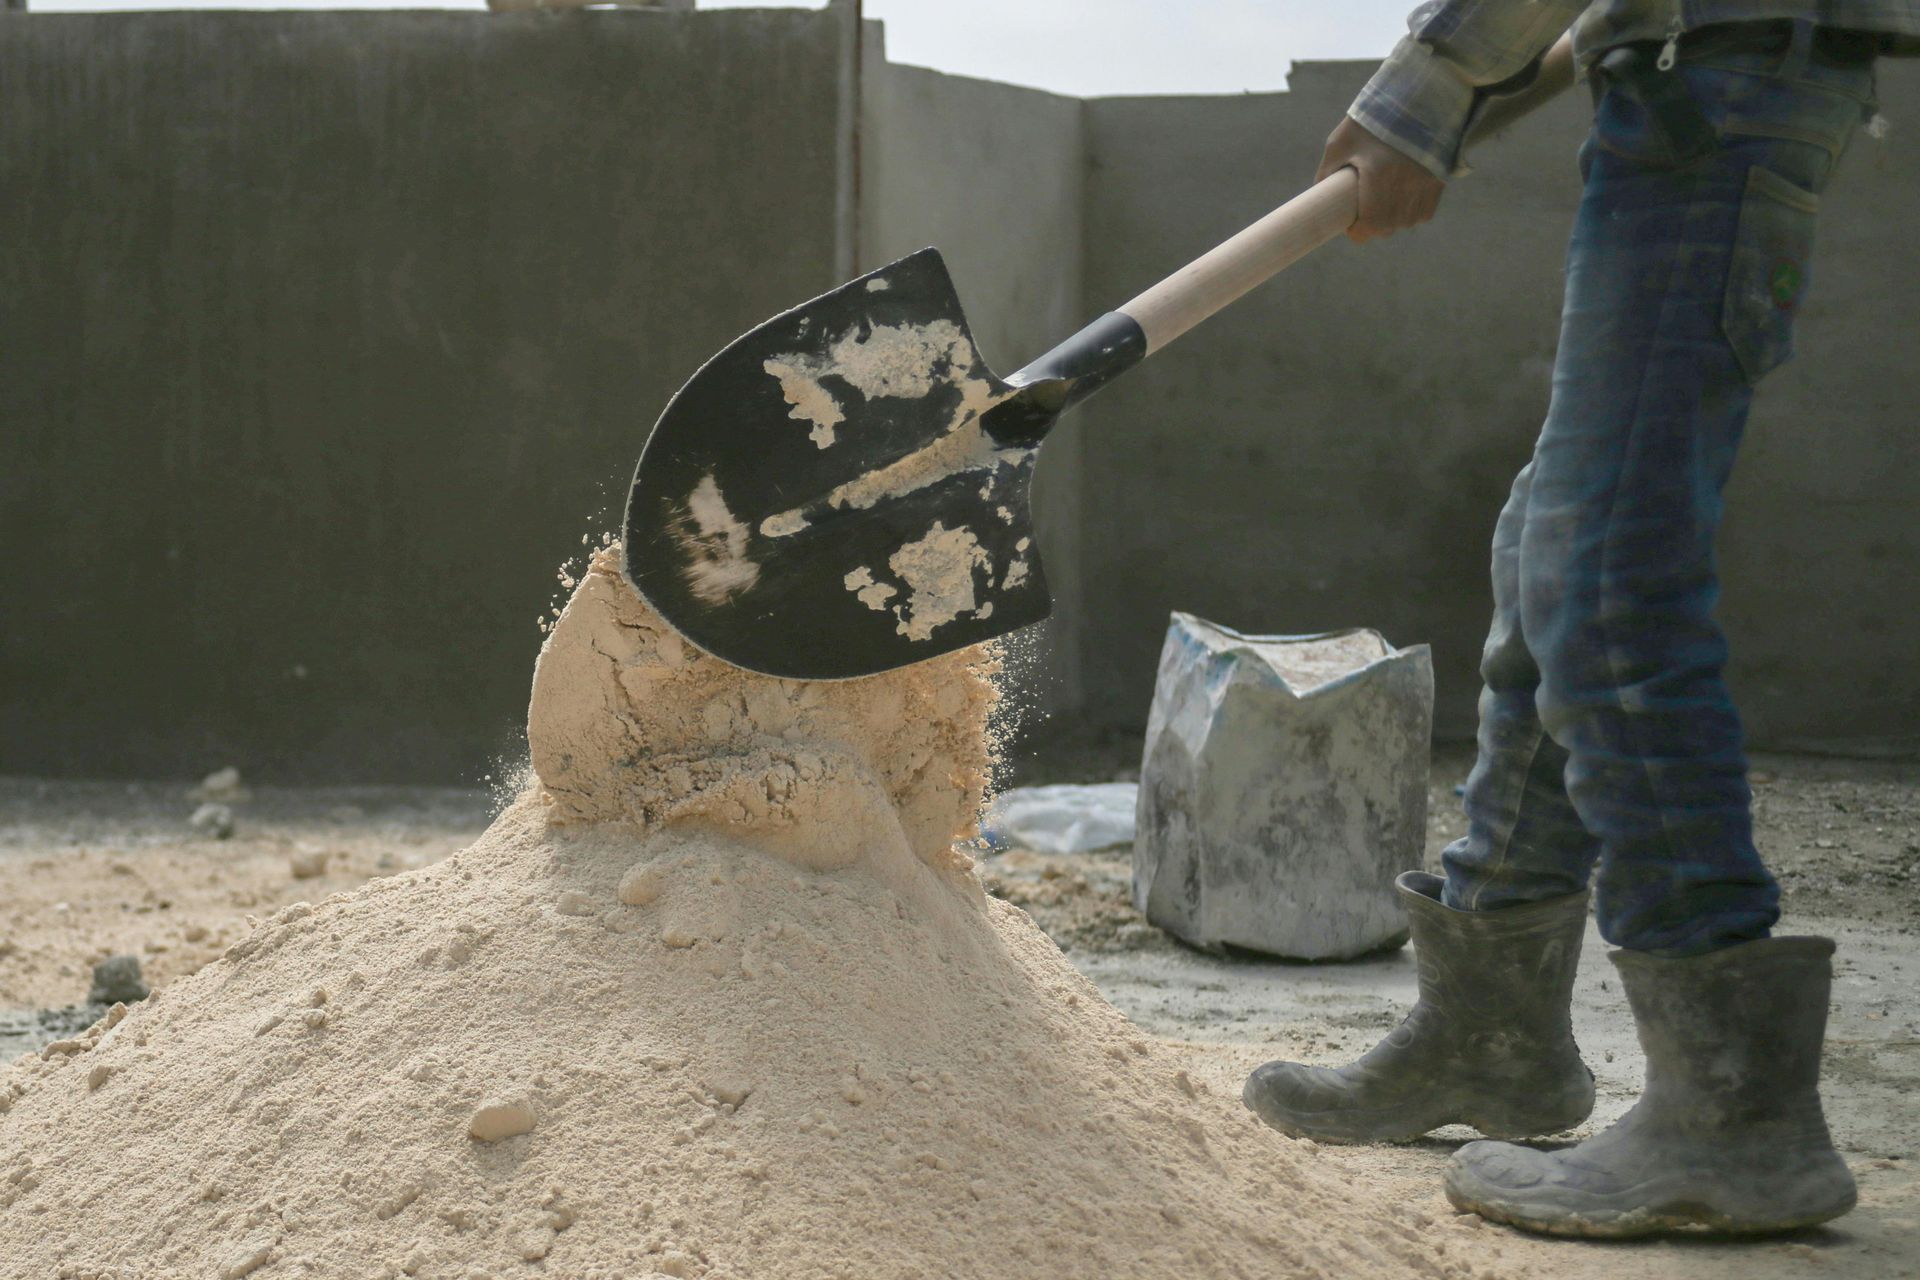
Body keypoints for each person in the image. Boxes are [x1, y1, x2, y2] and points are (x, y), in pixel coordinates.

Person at [1241, 1, 1916, 1240]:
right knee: (1550, 550)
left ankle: (1737, 1115)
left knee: (1604, 576)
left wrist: (1429, 81)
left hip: (1718, 90)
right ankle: (1490, 1035)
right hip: (1699, 82)